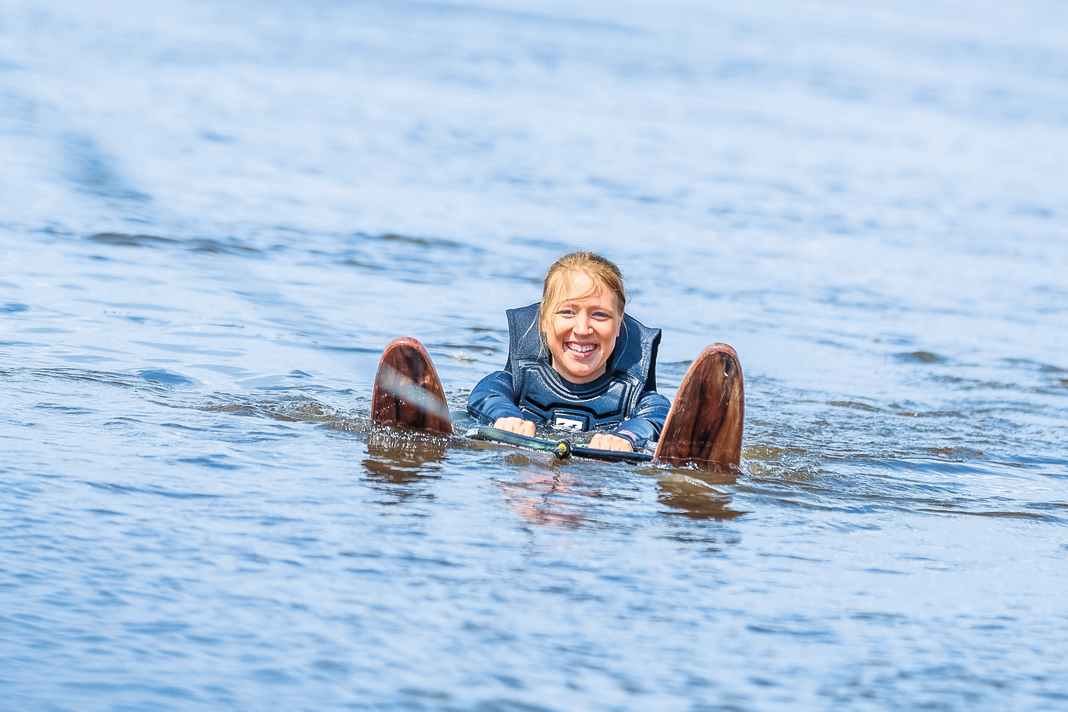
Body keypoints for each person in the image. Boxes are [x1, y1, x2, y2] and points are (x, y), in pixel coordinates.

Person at [467, 251, 669, 452]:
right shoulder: (515, 383)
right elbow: (485, 394)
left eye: (599, 315)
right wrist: (507, 418)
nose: (582, 329)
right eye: (567, 312)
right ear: (544, 320)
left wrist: (627, 436)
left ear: (619, 324)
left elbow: (657, 416)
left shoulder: (637, 398)